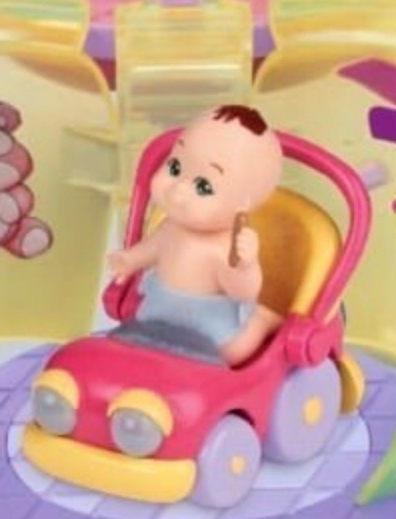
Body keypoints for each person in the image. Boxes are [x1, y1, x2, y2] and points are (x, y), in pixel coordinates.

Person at [107, 105, 284, 365]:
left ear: (242, 203)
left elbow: (242, 292)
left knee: (234, 350)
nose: (179, 188)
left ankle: (263, 320)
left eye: (203, 186)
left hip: (211, 325)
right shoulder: (170, 226)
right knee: (137, 323)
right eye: (175, 167)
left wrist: (245, 266)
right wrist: (129, 260)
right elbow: (152, 249)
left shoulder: (228, 245)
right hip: (160, 311)